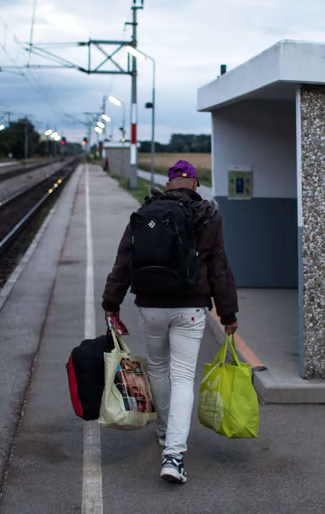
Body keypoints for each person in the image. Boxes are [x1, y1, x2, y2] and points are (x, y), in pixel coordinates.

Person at [102, 159, 239, 484]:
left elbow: (124, 259)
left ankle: (164, 432)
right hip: (190, 309)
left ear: (167, 184)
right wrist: (228, 313)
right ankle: (174, 456)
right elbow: (219, 266)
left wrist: (111, 304)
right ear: (194, 184)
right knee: (181, 378)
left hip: (149, 305)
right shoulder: (207, 214)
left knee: (159, 370)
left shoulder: (145, 212)